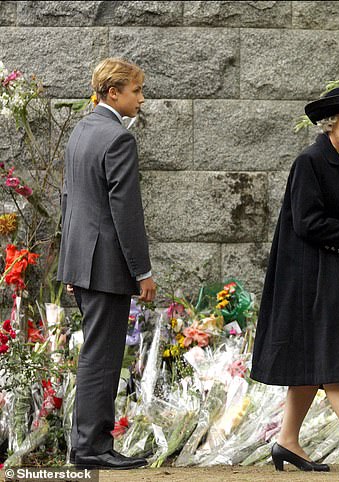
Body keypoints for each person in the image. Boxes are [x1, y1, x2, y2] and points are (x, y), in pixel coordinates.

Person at [250, 87, 339, 472]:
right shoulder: (311, 161)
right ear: (331, 125)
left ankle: (287, 442)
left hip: (332, 271)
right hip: (309, 275)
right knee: (332, 355)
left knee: (312, 359)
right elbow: (307, 220)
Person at [57, 58, 157, 470]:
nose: (141, 98)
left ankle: (89, 444)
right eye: (136, 90)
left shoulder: (82, 130)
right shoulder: (117, 138)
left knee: (95, 353)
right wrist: (143, 272)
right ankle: (91, 448)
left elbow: (69, 199)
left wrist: (69, 263)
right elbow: (125, 211)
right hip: (105, 267)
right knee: (102, 356)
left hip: (83, 263)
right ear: (113, 92)